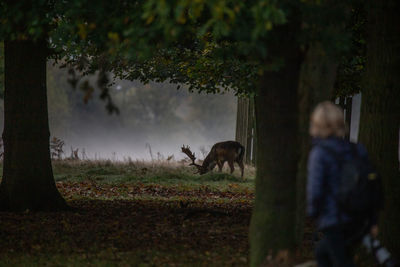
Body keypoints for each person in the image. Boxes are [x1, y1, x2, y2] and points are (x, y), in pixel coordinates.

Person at [307, 101, 382, 267]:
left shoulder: (319, 154)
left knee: (341, 261)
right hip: (360, 219)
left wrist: (314, 214)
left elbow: (315, 192)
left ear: (318, 125)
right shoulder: (358, 149)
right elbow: (371, 185)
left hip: (334, 220)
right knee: (323, 254)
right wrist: (373, 221)